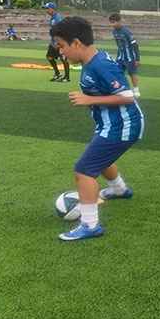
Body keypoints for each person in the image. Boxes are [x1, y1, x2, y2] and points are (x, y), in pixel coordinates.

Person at [51, 16, 143, 241]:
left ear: (76, 43)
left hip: (122, 125)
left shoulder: (100, 64)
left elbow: (128, 96)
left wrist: (88, 100)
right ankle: (119, 189)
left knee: (83, 170)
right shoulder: (91, 62)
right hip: (110, 125)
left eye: (62, 46)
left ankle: (90, 225)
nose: (61, 52)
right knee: (100, 158)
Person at [109, 13, 141, 97]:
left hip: (130, 57)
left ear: (119, 21)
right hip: (120, 57)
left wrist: (137, 59)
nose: (112, 24)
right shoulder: (114, 31)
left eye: (114, 22)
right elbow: (118, 45)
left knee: (132, 73)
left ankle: (136, 90)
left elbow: (135, 45)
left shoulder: (126, 32)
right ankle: (123, 89)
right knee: (118, 73)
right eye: (111, 22)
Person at [44, 2, 70, 82]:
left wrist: (60, 43)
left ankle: (66, 77)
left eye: (47, 8)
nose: (46, 10)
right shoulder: (53, 18)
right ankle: (57, 74)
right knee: (49, 57)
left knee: (63, 58)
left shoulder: (57, 18)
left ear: (52, 9)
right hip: (53, 42)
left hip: (59, 42)